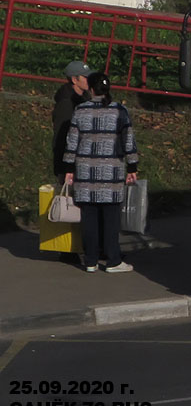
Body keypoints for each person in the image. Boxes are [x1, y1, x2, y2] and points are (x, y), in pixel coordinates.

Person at [64, 72, 138, 274]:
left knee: (89, 217)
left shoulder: (80, 111)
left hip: (85, 172)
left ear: (91, 88)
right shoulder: (119, 111)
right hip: (111, 173)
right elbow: (128, 142)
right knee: (111, 217)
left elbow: (72, 142)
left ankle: (90, 260)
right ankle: (113, 260)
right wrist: (132, 166)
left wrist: (69, 168)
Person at [52, 60, 93, 182]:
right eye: (85, 77)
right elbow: (61, 136)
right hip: (69, 164)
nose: (89, 80)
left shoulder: (85, 98)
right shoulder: (66, 103)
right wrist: (64, 167)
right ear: (74, 80)